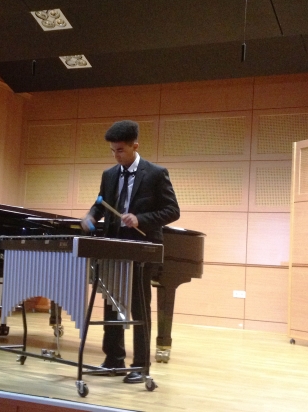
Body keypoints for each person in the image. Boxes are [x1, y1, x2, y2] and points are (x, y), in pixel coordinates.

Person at [81, 120, 180, 383]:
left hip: (141, 249)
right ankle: (113, 359)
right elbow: (100, 203)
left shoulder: (156, 173)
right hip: (113, 246)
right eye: (112, 151)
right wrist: (91, 216)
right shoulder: (109, 175)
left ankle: (140, 365)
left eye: (120, 150)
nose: (116, 155)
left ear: (135, 146)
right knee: (111, 304)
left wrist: (140, 219)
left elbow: (172, 211)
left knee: (139, 307)